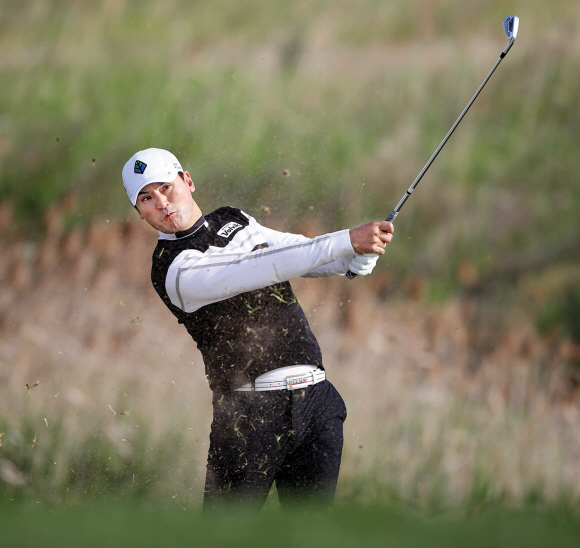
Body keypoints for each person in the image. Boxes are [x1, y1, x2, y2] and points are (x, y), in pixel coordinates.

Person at [122, 148, 394, 510]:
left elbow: (294, 248)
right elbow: (263, 266)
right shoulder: (172, 269)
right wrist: (345, 240)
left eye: (165, 188)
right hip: (247, 416)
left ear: (187, 180)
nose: (161, 203)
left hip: (315, 402)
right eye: (146, 198)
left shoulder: (232, 218)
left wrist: (351, 259)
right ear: (139, 212)